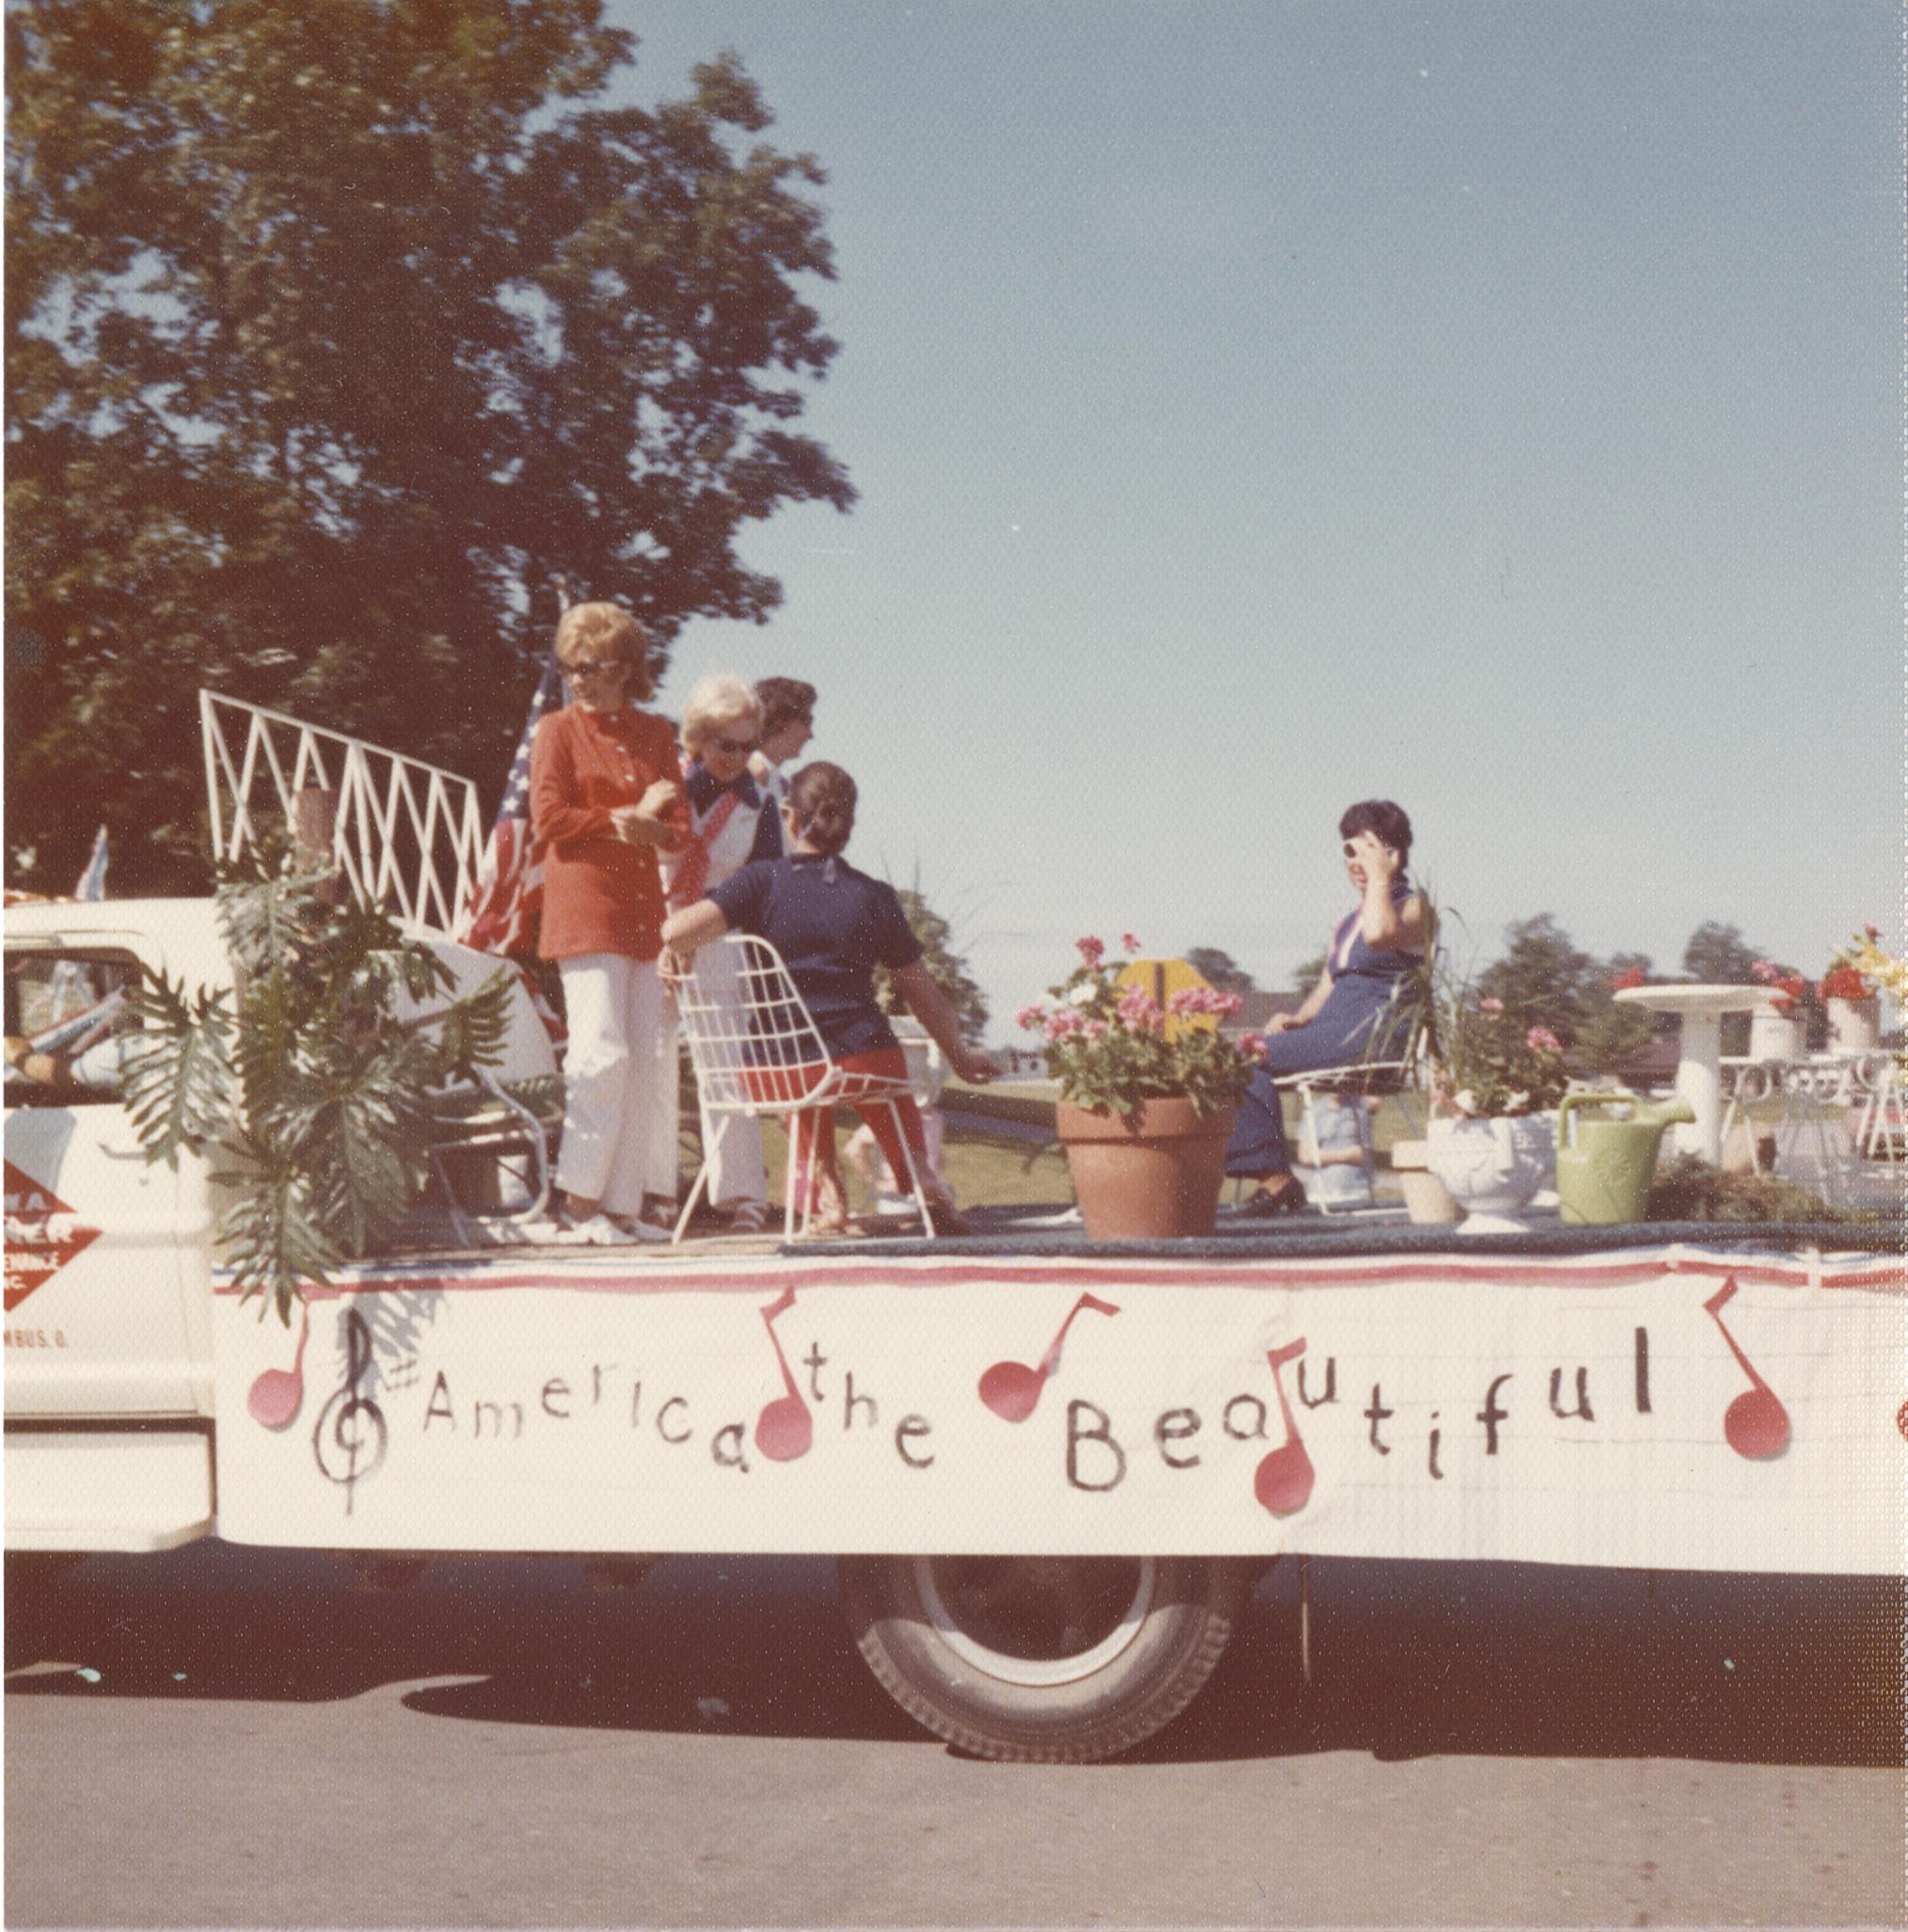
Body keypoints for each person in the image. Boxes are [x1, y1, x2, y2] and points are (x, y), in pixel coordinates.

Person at [660, 761, 997, 1234]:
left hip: (777, 1068)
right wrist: (959, 1056)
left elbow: (676, 930)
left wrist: (674, 951)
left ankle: (831, 1197)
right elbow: (926, 998)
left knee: (800, 1079)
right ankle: (920, 1174)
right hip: (864, 1061)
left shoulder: (760, 880)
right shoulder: (874, 896)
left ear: (789, 816)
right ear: (849, 826)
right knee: (882, 1072)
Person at [529, 601, 686, 1244]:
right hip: (583, 910)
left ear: (624, 667)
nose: (578, 680)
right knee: (601, 1053)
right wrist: (624, 817)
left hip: (643, 913)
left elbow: (678, 831)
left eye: (590, 667)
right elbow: (549, 819)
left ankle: (620, 1206)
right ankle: (578, 1203)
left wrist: (652, 826)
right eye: (569, 667)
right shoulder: (557, 731)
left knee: (645, 1061)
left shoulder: (656, 733)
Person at [1225, 800, 1428, 1217]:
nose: (1355, 862)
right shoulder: (1345, 923)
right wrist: (1299, 1018)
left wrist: (1379, 877)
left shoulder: (1415, 907)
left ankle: (1276, 1182)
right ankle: (1272, 1178)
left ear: (1395, 853)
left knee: (1245, 1058)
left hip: (1372, 1038)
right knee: (1234, 1054)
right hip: (1332, 1030)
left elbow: (1379, 934)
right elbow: (1326, 985)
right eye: (1349, 852)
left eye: (1366, 850)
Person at [658, 673, 781, 1234]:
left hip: (716, 931)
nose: (736, 757)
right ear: (698, 739)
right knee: (652, 1064)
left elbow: (765, 881)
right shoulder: (665, 789)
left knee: (723, 1065)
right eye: (724, 744)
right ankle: (653, 1189)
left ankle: (743, 1197)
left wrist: (699, 931)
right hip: (653, 930)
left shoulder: (758, 804)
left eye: (746, 746)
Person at [749, 676, 817, 823]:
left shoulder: (785, 789)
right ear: (780, 719)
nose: (810, 735)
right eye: (807, 721)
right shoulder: (737, 776)